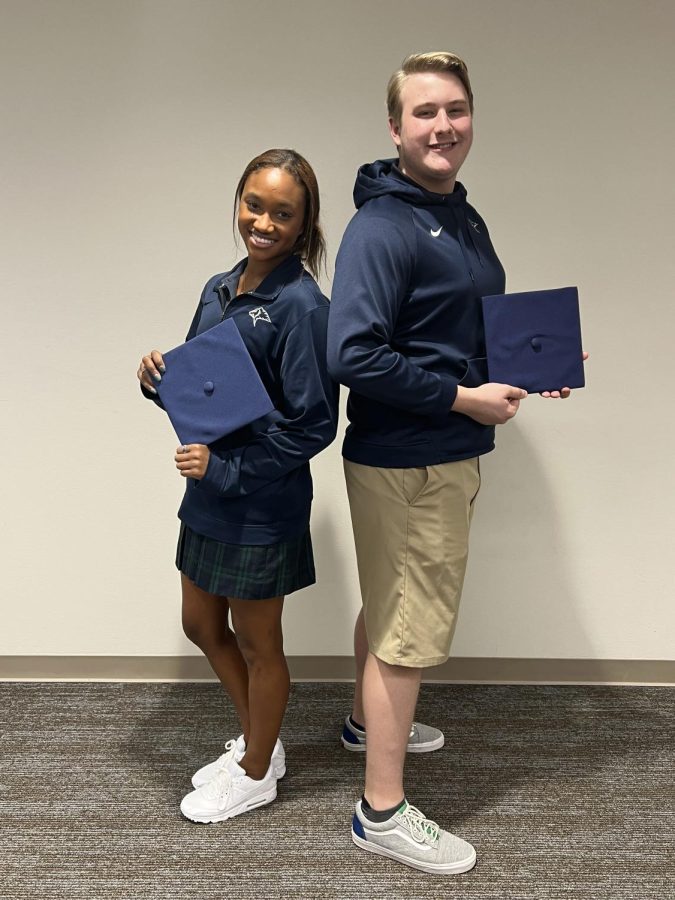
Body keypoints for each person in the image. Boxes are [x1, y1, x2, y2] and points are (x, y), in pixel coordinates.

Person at [327, 52, 583, 874]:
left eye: (457, 110)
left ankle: (369, 727)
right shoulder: (382, 227)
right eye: (426, 112)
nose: (444, 126)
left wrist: (526, 367)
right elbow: (353, 354)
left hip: (441, 451)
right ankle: (381, 811)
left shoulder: (455, 213)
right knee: (409, 632)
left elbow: (452, 327)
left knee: (391, 604)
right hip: (413, 460)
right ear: (395, 128)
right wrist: (462, 398)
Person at [138, 148, 338, 823]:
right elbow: (207, 388)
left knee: (259, 645)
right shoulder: (217, 287)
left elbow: (314, 425)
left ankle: (256, 770)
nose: (263, 221)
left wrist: (227, 469)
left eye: (283, 213)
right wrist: (157, 381)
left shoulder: (304, 306)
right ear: (238, 202)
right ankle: (262, 739)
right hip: (207, 492)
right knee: (200, 625)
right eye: (254, 204)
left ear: (304, 224)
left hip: (261, 501)